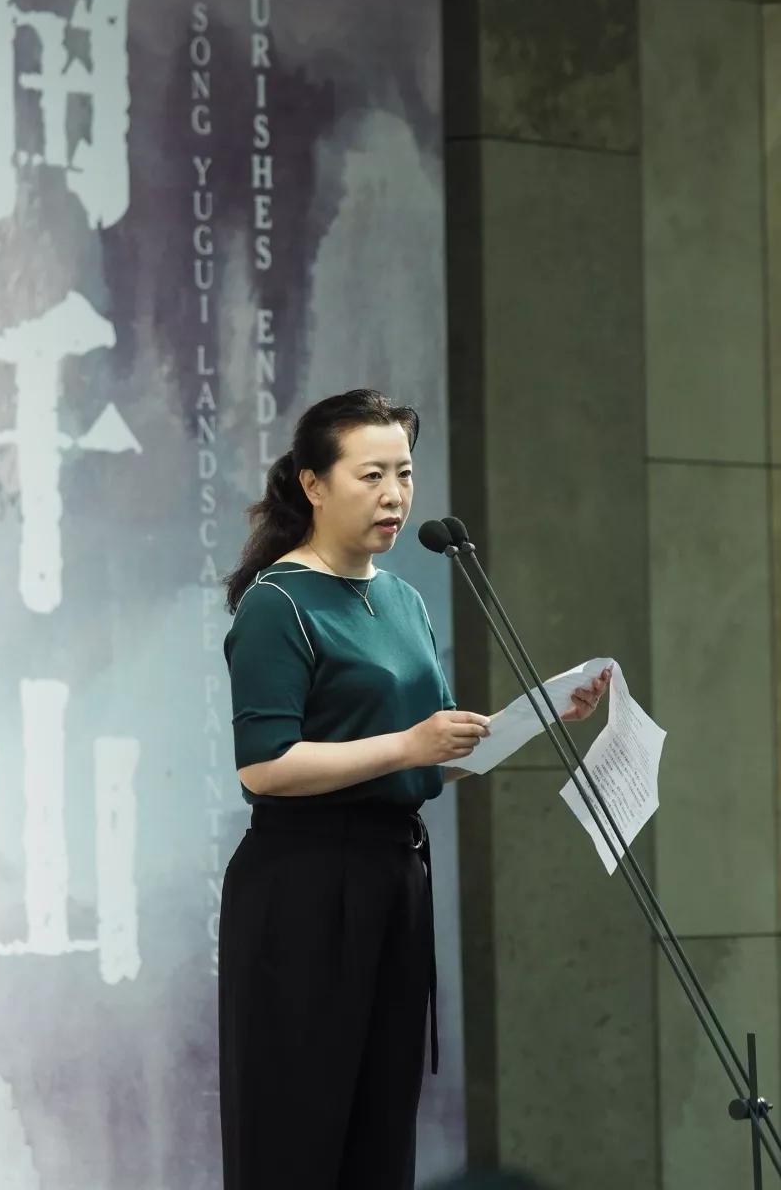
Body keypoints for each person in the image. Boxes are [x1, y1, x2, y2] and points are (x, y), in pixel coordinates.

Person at [217, 389, 609, 1190]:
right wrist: (409, 743)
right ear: (313, 484)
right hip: (304, 886)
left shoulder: (402, 599)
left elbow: (430, 760)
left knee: (380, 1130)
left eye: (404, 473)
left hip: (393, 880)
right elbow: (264, 764)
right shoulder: (277, 603)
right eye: (371, 475)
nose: (394, 494)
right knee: (298, 1129)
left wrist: (539, 716)